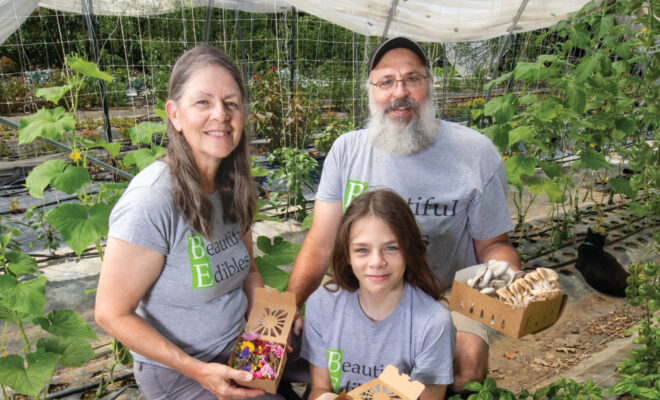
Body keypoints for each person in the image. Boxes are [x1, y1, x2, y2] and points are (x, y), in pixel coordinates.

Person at [287, 37, 521, 393]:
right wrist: (289, 305)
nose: (400, 92)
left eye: (413, 79)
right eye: (386, 82)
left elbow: (494, 246)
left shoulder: (475, 153)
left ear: (430, 85)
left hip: (446, 293)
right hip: (365, 288)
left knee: (466, 369)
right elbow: (320, 242)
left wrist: (502, 281)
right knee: (349, 376)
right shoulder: (347, 150)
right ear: (370, 90)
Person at [95, 45, 292, 400]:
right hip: (182, 371)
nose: (221, 114)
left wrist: (270, 324)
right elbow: (111, 314)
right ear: (175, 114)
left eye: (231, 103)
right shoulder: (151, 200)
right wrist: (198, 371)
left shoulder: (233, 184)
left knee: (339, 345)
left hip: (240, 346)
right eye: (203, 103)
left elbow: (248, 272)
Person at [302, 189, 455, 400]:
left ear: (409, 249)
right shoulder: (322, 305)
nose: (377, 262)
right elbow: (320, 387)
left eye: (391, 248)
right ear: (346, 254)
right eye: (362, 250)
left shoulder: (434, 323)